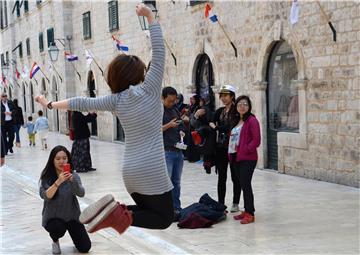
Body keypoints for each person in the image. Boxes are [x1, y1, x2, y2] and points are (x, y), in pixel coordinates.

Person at [35, 4, 174, 235]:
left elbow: (80, 102)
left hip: (130, 171)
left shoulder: (115, 100)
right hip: (152, 168)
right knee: (164, 218)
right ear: (138, 74)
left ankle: (112, 212)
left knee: (148, 210)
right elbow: (158, 51)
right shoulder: (150, 89)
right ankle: (112, 214)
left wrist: (49, 104)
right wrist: (149, 15)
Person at [39, 145, 91, 254]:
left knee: (85, 247)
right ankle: (55, 240)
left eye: (64, 158)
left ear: (68, 159)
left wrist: (73, 181)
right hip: (53, 218)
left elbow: (81, 193)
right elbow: (45, 195)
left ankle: (75, 235)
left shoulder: (73, 175)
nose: (61, 161)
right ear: (52, 160)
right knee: (58, 229)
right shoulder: (47, 177)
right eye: (57, 159)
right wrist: (58, 182)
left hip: (72, 216)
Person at [229, 95, 261, 224]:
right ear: (236, 107)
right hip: (235, 156)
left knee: (246, 185)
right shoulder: (237, 120)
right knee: (242, 184)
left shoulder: (252, 120)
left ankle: (250, 214)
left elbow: (256, 140)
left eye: (245, 104)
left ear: (249, 107)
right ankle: (247, 209)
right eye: (239, 104)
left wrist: (245, 148)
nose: (242, 106)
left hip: (247, 158)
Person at [209, 85, 241, 212]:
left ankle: (235, 203)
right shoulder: (219, 111)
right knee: (221, 177)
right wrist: (215, 127)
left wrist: (218, 128)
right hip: (221, 148)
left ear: (232, 96)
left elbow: (233, 127)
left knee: (235, 177)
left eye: (225, 95)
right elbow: (211, 121)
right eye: (221, 95)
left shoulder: (237, 111)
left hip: (234, 148)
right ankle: (221, 203)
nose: (223, 98)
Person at [162, 86, 186, 220]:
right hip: (166, 152)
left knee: (176, 182)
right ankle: (166, 209)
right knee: (167, 183)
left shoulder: (175, 110)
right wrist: (168, 126)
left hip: (178, 151)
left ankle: (176, 207)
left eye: (174, 101)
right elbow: (153, 131)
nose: (172, 103)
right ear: (163, 98)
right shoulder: (158, 111)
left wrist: (181, 130)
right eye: (169, 101)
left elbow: (181, 124)